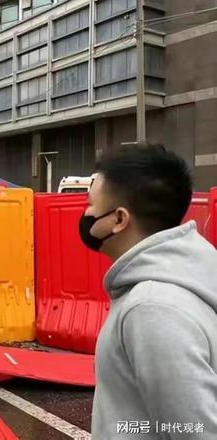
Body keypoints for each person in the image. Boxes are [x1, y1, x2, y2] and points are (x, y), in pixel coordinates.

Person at [85, 145, 217, 438]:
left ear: (119, 219)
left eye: (90, 204)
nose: (86, 214)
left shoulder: (152, 307)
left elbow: (196, 431)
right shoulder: (180, 280)